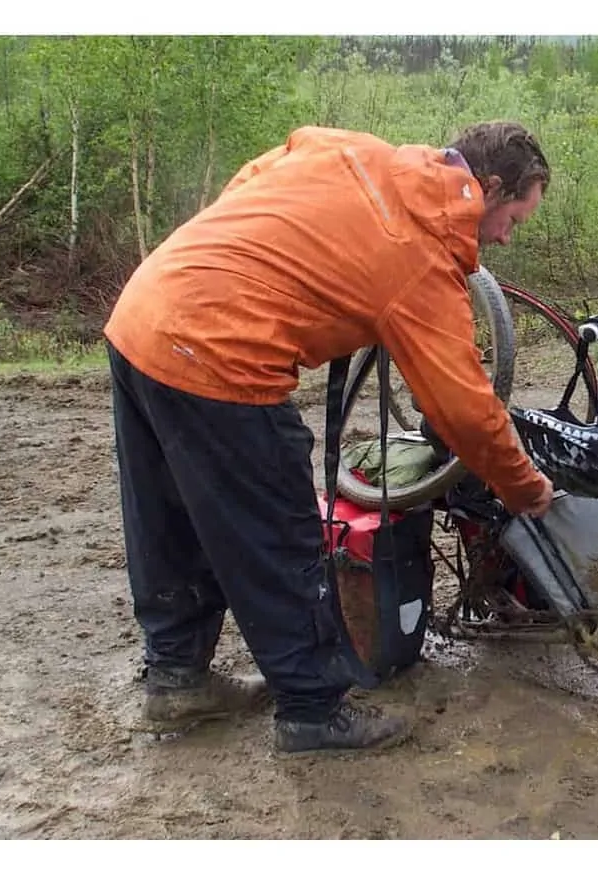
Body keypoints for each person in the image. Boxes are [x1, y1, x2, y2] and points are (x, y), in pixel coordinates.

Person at [102, 121, 556, 755]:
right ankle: (313, 711)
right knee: (280, 531)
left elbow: (262, 170)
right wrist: (528, 489)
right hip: (218, 352)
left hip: (146, 311)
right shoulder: (420, 257)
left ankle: (178, 677)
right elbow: (467, 414)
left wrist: (267, 261)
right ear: (487, 188)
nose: (509, 235)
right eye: (514, 217)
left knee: (170, 518)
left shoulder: (355, 151)